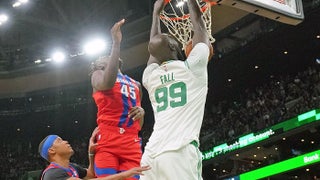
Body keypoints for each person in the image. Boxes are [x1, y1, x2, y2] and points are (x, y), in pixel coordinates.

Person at [140, 0, 212, 179]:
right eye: (172, 38)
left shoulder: (150, 77)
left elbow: (153, 49)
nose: (175, 38)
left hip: (150, 156)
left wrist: (156, 15)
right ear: (173, 47)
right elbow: (201, 30)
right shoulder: (192, 68)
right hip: (178, 151)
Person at [89, 19, 145, 179]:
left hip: (131, 140)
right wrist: (116, 44)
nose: (99, 59)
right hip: (108, 139)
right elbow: (107, 83)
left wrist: (142, 113)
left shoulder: (136, 84)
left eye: (102, 58)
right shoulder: (97, 75)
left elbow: (138, 124)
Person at [38, 127, 150, 180]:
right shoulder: (52, 175)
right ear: (51, 150)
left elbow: (91, 174)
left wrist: (91, 153)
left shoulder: (71, 167)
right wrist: (125, 174)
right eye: (59, 140)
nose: (66, 141)